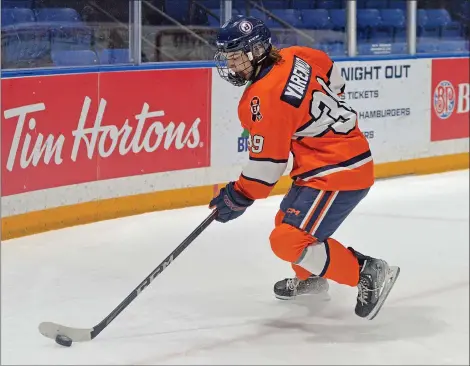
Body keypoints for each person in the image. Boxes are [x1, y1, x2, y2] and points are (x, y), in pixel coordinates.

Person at [209, 15, 400, 320]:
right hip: (328, 163)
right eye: (228, 57)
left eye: (236, 56)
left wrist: (238, 195)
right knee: (285, 221)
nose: (231, 65)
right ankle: (312, 277)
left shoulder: (262, 99)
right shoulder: (297, 54)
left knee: (287, 240)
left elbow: (267, 167)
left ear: (257, 51)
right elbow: (335, 77)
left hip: (338, 171)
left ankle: (366, 270)